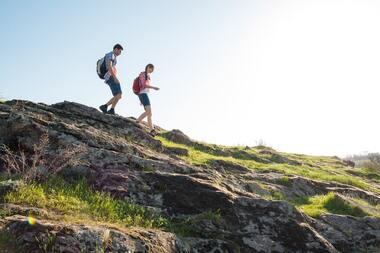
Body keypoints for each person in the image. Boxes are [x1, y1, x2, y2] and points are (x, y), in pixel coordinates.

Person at [99, 44, 124, 115]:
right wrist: (115, 77)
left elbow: (112, 67)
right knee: (119, 94)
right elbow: (109, 66)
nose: (120, 53)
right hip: (110, 76)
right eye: (120, 51)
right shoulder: (111, 55)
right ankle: (105, 106)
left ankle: (112, 109)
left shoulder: (113, 57)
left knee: (118, 95)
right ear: (116, 49)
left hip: (110, 76)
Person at [136, 64, 160, 136]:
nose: (151, 70)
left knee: (149, 113)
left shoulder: (147, 75)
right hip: (143, 94)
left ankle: (152, 130)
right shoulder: (143, 74)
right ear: (147, 67)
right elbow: (143, 85)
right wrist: (154, 87)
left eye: (152, 70)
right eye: (151, 69)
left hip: (143, 94)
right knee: (148, 112)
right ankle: (137, 122)